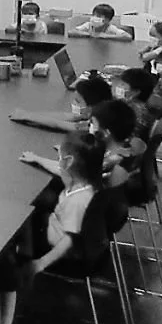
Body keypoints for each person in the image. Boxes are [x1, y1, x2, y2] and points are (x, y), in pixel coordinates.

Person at [17, 131, 105, 274]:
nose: (58, 161)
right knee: (38, 204)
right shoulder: (83, 181)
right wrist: (37, 159)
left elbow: (69, 240)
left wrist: (41, 263)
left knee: (21, 221)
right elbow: (60, 169)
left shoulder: (78, 202)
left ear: (68, 162)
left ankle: (21, 268)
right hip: (54, 225)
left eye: (60, 157)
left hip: (56, 247)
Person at [9, 71, 112, 132]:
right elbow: (66, 116)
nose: (74, 104)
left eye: (78, 101)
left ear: (90, 108)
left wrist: (27, 117)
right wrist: (28, 113)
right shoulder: (95, 114)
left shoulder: (96, 127)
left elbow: (57, 124)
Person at [89, 99, 146, 187]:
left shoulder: (113, 162)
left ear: (106, 133)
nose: (90, 127)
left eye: (92, 123)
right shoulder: (125, 146)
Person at [114, 67, 162, 142]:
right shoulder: (141, 107)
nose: (118, 87)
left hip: (124, 147)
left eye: (123, 85)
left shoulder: (130, 112)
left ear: (135, 92)